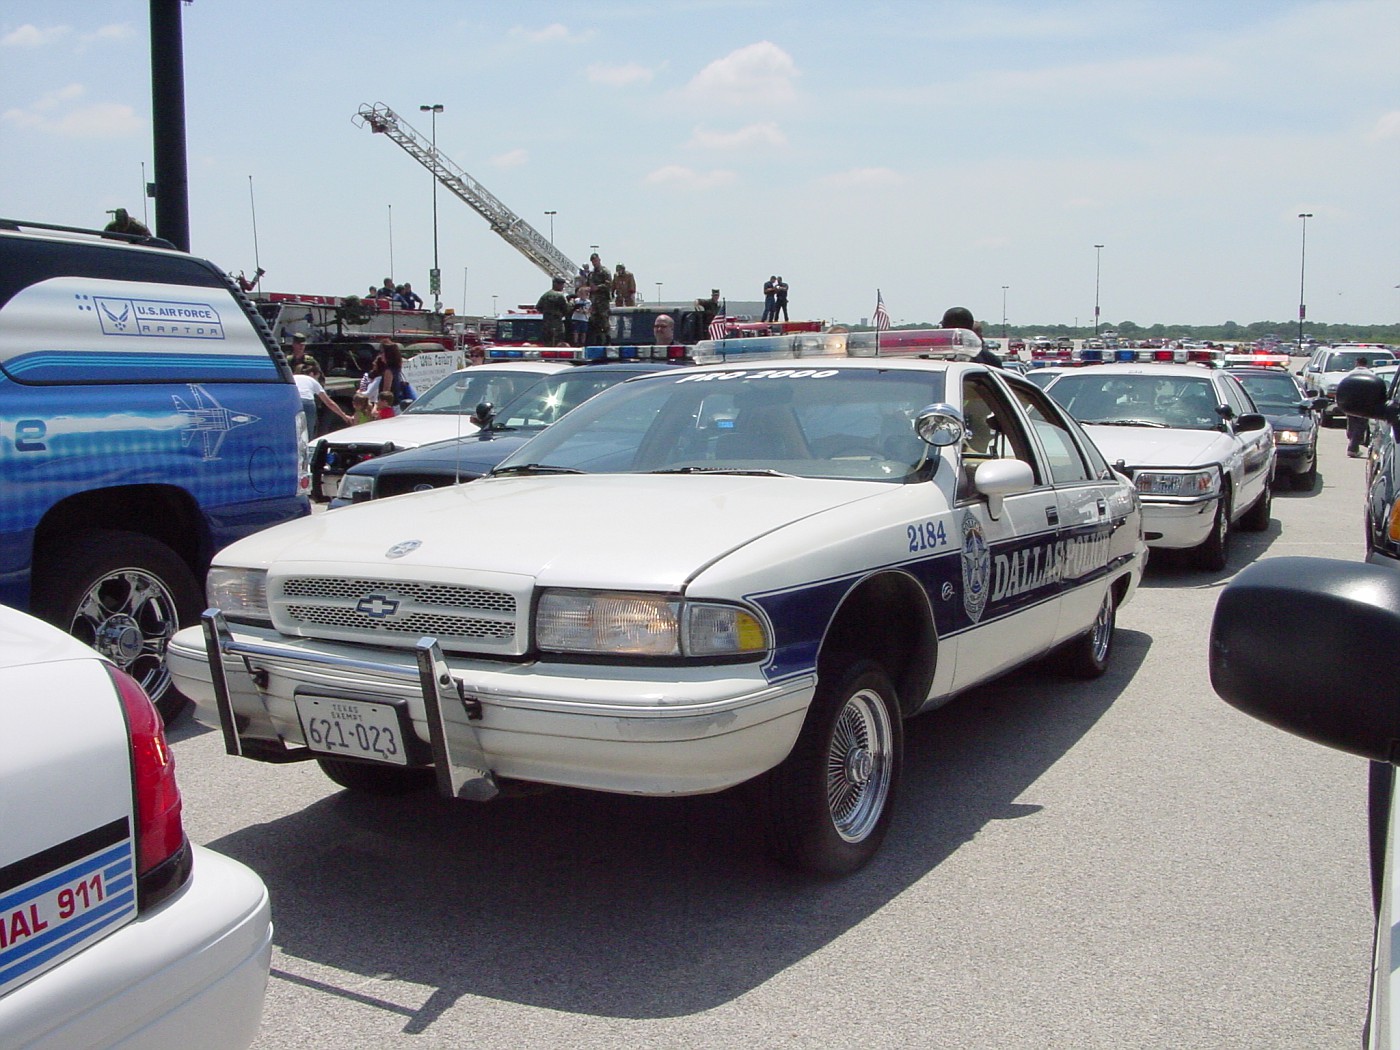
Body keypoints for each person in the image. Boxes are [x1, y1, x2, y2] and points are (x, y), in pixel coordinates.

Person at [292, 369, 352, 437]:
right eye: (318, 377)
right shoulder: (313, 381)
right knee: (308, 431)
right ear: (312, 374)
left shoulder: (291, 378)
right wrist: (344, 416)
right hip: (307, 402)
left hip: (293, 402)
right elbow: (329, 403)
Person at [536, 276, 574, 347]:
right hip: (557, 323)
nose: (562, 286)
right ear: (556, 284)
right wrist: (572, 303)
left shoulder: (545, 295)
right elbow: (567, 309)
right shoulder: (560, 296)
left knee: (547, 343)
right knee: (558, 342)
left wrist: (547, 312)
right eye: (561, 284)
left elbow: (538, 307)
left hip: (546, 323)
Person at [1347, 357, 1374, 457]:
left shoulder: (1350, 374)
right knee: (1360, 426)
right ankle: (1353, 448)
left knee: (1352, 425)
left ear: (1357, 363)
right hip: (1364, 404)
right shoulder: (1370, 374)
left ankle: (1353, 446)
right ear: (1366, 364)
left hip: (1350, 403)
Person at [585, 253, 612, 345]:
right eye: (593, 261)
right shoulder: (591, 274)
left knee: (604, 323)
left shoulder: (605, 272)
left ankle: (606, 342)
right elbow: (588, 284)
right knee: (594, 323)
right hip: (594, 302)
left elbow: (608, 285)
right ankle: (597, 342)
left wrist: (598, 287)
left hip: (603, 302)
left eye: (596, 261)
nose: (594, 263)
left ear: (599, 260)